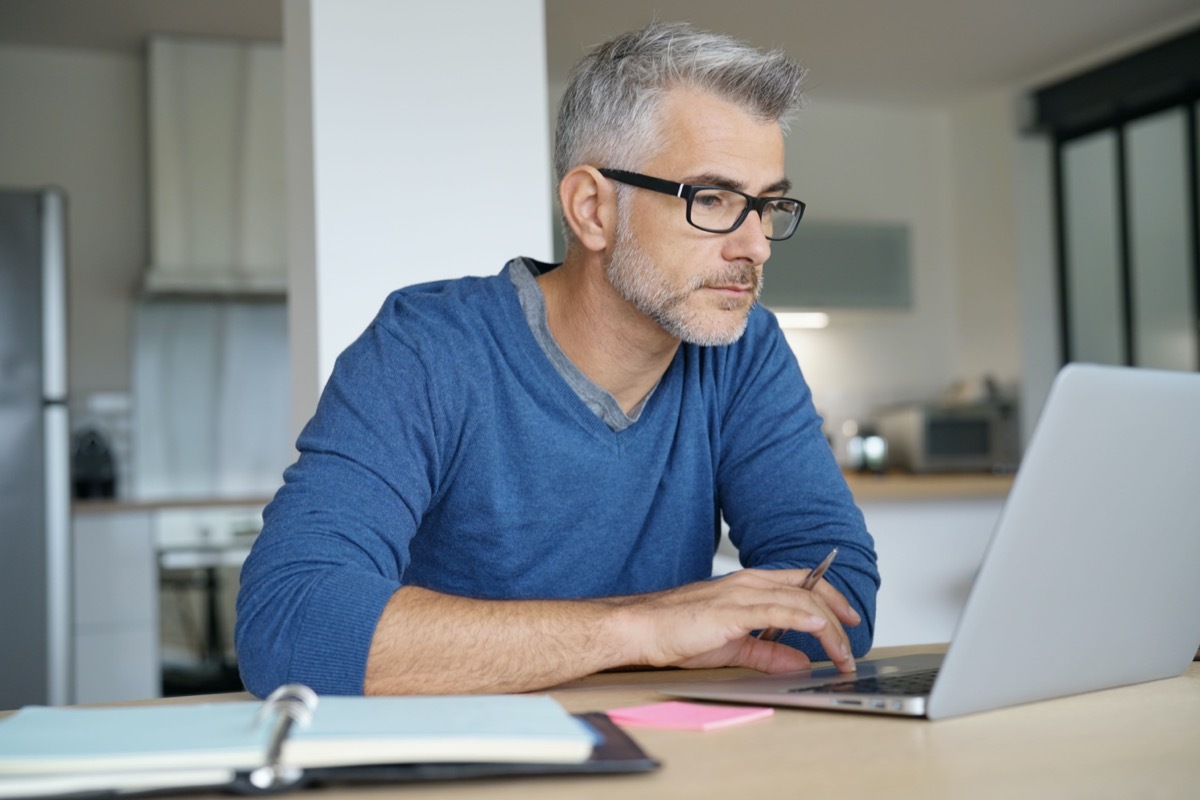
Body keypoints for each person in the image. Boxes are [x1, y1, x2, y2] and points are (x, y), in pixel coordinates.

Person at [235, 21, 879, 698]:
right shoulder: (426, 349)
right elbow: (290, 625)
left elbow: (838, 593)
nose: (757, 245)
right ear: (592, 209)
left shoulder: (744, 351)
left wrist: (682, 635)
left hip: (673, 752)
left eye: (767, 205)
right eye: (713, 199)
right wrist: (642, 630)